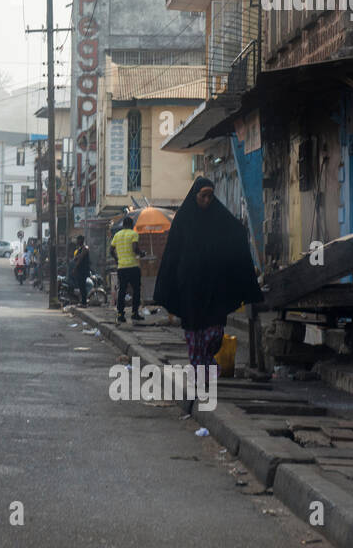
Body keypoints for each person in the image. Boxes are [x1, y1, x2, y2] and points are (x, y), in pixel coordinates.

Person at [154, 177, 264, 416]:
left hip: (214, 287)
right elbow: (173, 253)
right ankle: (200, 375)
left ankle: (207, 365)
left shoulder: (219, 218)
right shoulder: (183, 219)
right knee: (194, 335)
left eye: (209, 196)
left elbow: (235, 231)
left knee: (214, 334)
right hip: (190, 288)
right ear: (195, 195)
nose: (206, 200)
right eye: (203, 196)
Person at [110, 217, 143, 323]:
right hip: (133, 266)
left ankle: (120, 314)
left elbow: (111, 250)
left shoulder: (117, 235)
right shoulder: (133, 234)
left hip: (122, 268)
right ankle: (134, 313)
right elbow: (134, 249)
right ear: (131, 224)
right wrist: (141, 253)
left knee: (122, 291)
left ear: (123, 224)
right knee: (136, 290)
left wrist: (117, 259)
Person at [71, 236, 92, 302]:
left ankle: (84, 302)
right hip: (80, 271)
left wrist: (75, 267)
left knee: (83, 286)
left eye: (78, 240)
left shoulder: (85, 248)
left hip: (83, 271)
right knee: (80, 286)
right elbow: (77, 257)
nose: (77, 242)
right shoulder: (80, 249)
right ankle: (82, 301)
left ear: (81, 240)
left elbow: (80, 258)